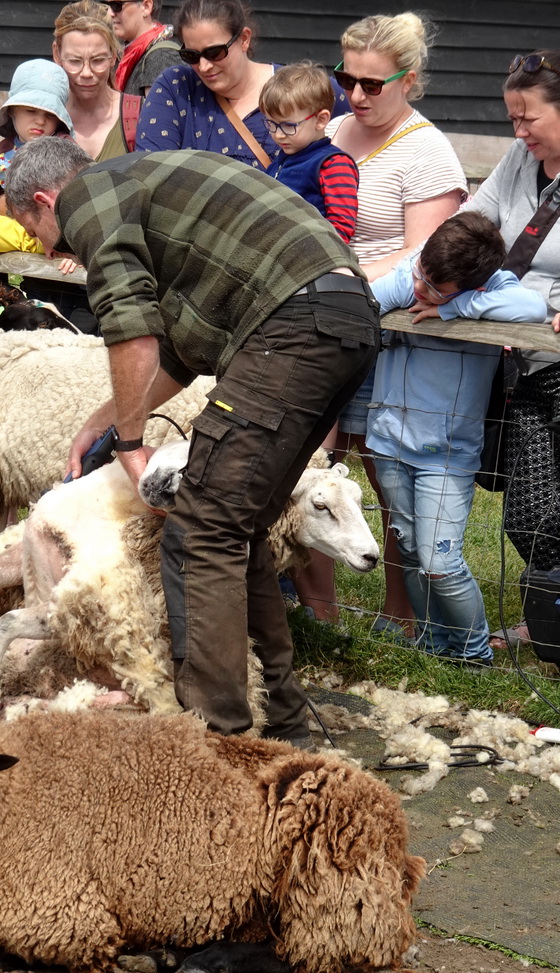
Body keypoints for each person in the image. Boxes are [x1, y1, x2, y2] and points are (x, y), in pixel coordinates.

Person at [4, 136, 380, 748]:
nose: (50, 247)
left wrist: (129, 442)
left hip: (289, 328)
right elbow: (179, 352)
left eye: (34, 230)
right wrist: (104, 419)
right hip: (343, 317)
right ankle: (283, 721)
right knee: (238, 524)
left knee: (199, 529)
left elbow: (131, 331)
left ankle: (216, 742)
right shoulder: (144, 184)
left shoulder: (89, 201)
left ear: (44, 200)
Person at [293, 11, 467, 630]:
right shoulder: (334, 128)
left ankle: (399, 616)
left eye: (374, 84)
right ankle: (320, 616)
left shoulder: (427, 151)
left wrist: (343, 276)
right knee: (310, 465)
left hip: (388, 336)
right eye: (348, 79)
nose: (356, 95)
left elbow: (426, 251)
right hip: (317, 322)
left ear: (409, 80)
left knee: (384, 476)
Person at [367, 211, 548, 667]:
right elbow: (366, 300)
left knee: (440, 562)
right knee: (408, 547)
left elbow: (532, 310)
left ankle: (474, 652)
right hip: (389, 441)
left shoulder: (497, 286)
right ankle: (432, 642)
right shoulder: (414, 272)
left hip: (447, 454)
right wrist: (415, 289)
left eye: (436, 286)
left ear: (475, 283)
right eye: (423, 276)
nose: (421, 290)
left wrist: (452, 309)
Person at [465, 51, 560, 649]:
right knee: (531, 511)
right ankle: (549, 617)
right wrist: (435, 272)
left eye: (529, 119)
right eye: (511, 119)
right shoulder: (519, 162)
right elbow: (475, 220)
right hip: (525, 364)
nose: (518, 132)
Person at [136, 0, 349, 170]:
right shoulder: (176, 87)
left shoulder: (304, 90)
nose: (204, 66)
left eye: (214, 52)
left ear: (244, 39)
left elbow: (365, 107)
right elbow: (150, 172)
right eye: (191, 55)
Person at [0, 59, 72, 257]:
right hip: (16, 228)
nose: (40, 120)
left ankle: (58, 246)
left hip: (57, 231)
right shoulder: (1, 152)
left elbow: (76, 199)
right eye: (31, 111)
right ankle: (32, 244)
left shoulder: (65, 146)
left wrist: (74, 248)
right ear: (13, 111)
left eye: (49, 115)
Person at [259, 61, 358, 243]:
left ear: (321, 120)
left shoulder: (333, 164)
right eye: (271, 124)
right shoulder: (282, 160)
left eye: (288, 125)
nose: (278, 135)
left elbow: (341, 228)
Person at [53, 1, 141, 161]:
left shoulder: (140, 115)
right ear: (57, 55)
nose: (86, 73)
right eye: (74, 61)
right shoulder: (45, 118)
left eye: (98, 60)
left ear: (113, 55)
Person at [111, 0, 182, 97]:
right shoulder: (133, 55)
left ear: (146, 7)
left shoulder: (161, 57)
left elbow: (159, 111)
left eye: (117, 5)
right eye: (107, 6)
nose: (110, 13)